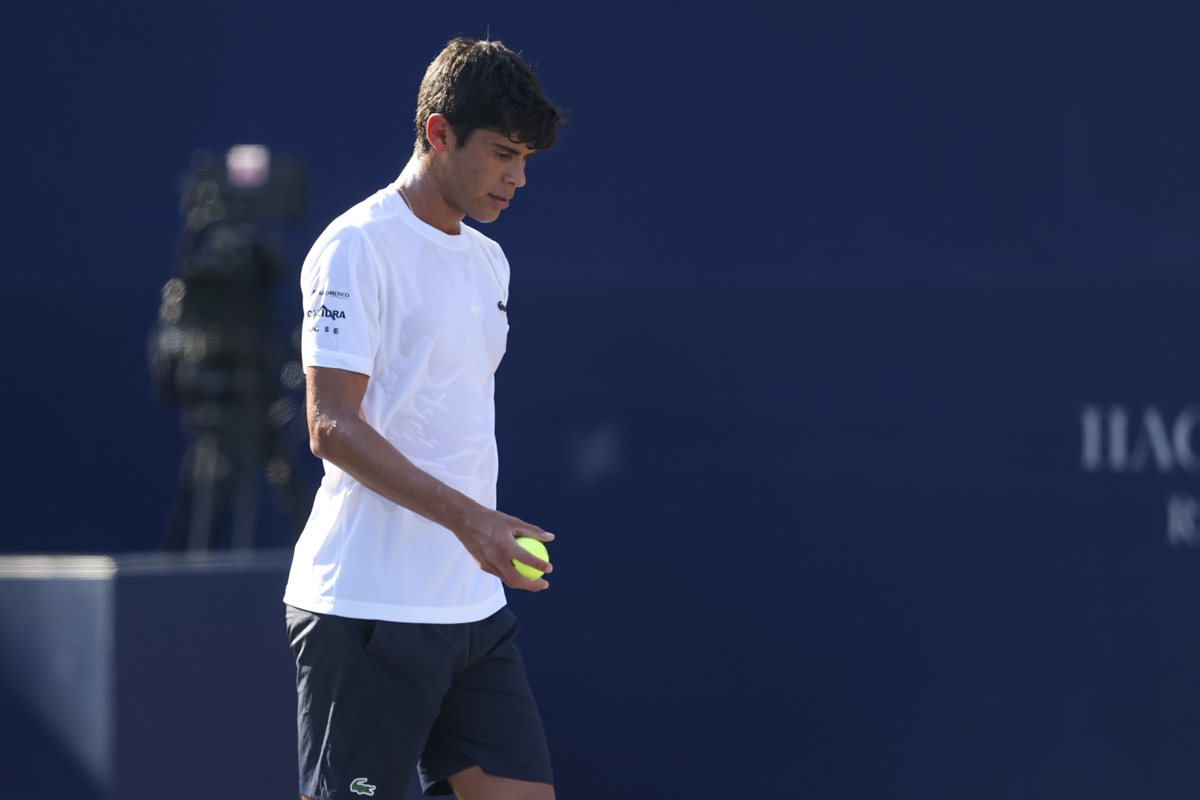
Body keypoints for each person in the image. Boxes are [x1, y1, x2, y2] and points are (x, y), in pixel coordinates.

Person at [283, 37, 563, 800]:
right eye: (503, 153)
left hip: (472, 610)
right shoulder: (355, 247)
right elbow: (329, 426)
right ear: (439, 133)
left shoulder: (489, 261)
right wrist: (473, 522)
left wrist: (475, 536)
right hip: (365, 614)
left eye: (527, 159)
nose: (518, 177)